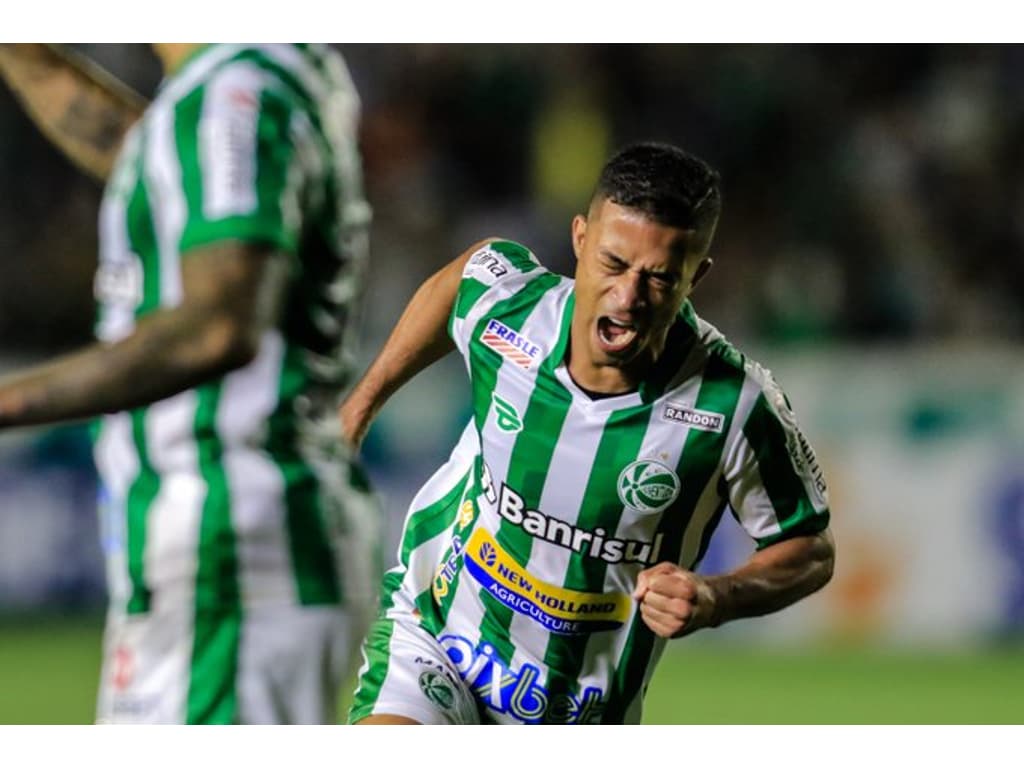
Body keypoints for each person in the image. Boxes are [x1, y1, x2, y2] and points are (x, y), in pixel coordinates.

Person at [339, 141, 835, 725]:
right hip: (438, 637)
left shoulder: (735, 404)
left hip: (579, 709)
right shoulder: (510, 309)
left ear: (695, 276)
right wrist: (355, 414)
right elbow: (461, 279)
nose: (628, 299)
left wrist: (716, 597)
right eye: (613, 264)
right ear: (580, 239)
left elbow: (810, 550)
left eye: (658, 278)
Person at [0, 44, 380, 724]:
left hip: (230, 555)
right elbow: (150, 159)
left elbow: (218, 325)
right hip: (216, 565)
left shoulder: (234, 89)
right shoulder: (250, 79)